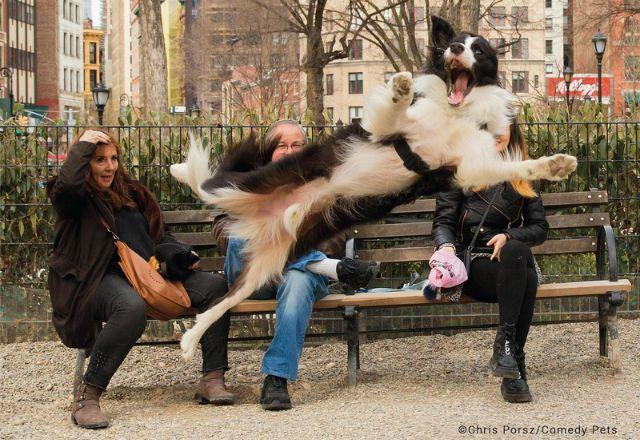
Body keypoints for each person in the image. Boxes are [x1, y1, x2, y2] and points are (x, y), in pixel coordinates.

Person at [47, 129, 232, 430]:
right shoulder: (74, 198)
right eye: (99, 160)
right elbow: (67, 187)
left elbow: (159, 237)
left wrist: (178, 256)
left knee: (217, 288)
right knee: (130, 307)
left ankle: (212, 378)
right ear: (83, 162)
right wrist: (83, 145)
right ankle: (88, 395)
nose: (109, 167)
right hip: (97, 279)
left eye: (113, 159)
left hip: (149, 274)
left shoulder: (132, 194)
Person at [214, 119, 378, 411]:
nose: (289, 151)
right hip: (252, 276)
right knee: (242, 235)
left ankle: (276, 379)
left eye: (296, 145)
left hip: (297, 279)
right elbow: (224, 233)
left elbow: (335, 236)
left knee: (298, 281)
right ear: (269, 152)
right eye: (281, 146)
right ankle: (326, 267)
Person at [431, 124, 549, 403]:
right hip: (472, 263)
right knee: (528, 279)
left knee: (518, 251)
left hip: (510, 262)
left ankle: (506, 352)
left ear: (511, 130)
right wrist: (447, 247)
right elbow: (443, 222)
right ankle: (515, 364)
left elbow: (540, 228)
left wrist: (508, 235)